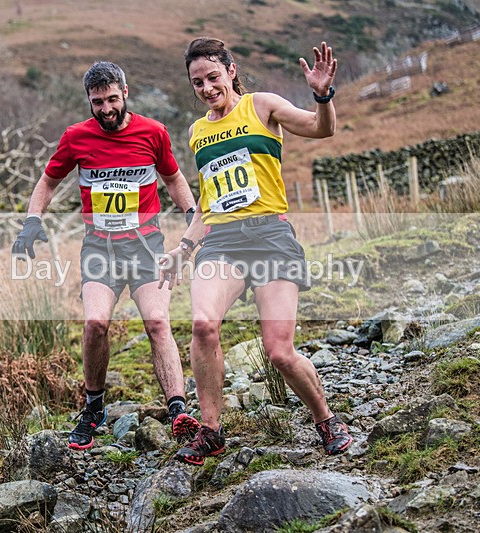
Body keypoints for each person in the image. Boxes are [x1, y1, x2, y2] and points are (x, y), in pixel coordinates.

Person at [158, 38, 353, 465]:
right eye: (198, 82)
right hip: (223, 242)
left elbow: (322, 129)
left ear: (230, 70)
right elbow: (207, 203)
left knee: (279, 352)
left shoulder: (261, 106)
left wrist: (322, 95)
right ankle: (211, 430)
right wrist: (183, 248)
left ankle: (325, 419)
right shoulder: (197, 132)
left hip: (270, 237)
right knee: (204, 325)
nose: (207, 87)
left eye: (213, 77)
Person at [12, 61, 201, 450]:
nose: (106, 109)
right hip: (100, 248)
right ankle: (94, 407)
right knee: (96, 323)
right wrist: (32, 220)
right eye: (98, 102)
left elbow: (173, 177)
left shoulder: (152, 132)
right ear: (89, 101)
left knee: (157, 321)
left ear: (125, 93)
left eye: (112, 99)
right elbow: (48, 181)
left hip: (146, 245)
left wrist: (192, 217)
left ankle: (178, 409)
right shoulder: (76, 138)